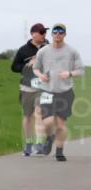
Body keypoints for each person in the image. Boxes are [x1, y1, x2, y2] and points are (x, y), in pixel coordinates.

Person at [33, 23, 84, 161]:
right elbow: (36, 68)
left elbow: (80, 70)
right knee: (47, 122)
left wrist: (70, 73)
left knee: (61, 124)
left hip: (65, 92)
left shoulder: (72, 52)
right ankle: (49, 138)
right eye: (55, 32)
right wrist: (40, 75)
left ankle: (59, 152)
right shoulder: (43, 51)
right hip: (47, 91)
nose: (57, 34)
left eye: (61, 32)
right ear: (52, 34)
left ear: (64, 34)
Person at [11, 23, 49, 155]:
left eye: (45, 32)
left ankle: (39, 143)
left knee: (40, 113)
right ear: (33, 34)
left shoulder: (49, 48)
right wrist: (28, 64)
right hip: (27, 87)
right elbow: (14, 67)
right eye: (42, 32)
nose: (44, 34)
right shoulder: (23, 50)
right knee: (28, 116)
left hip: (44, 87)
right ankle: (28, 143)